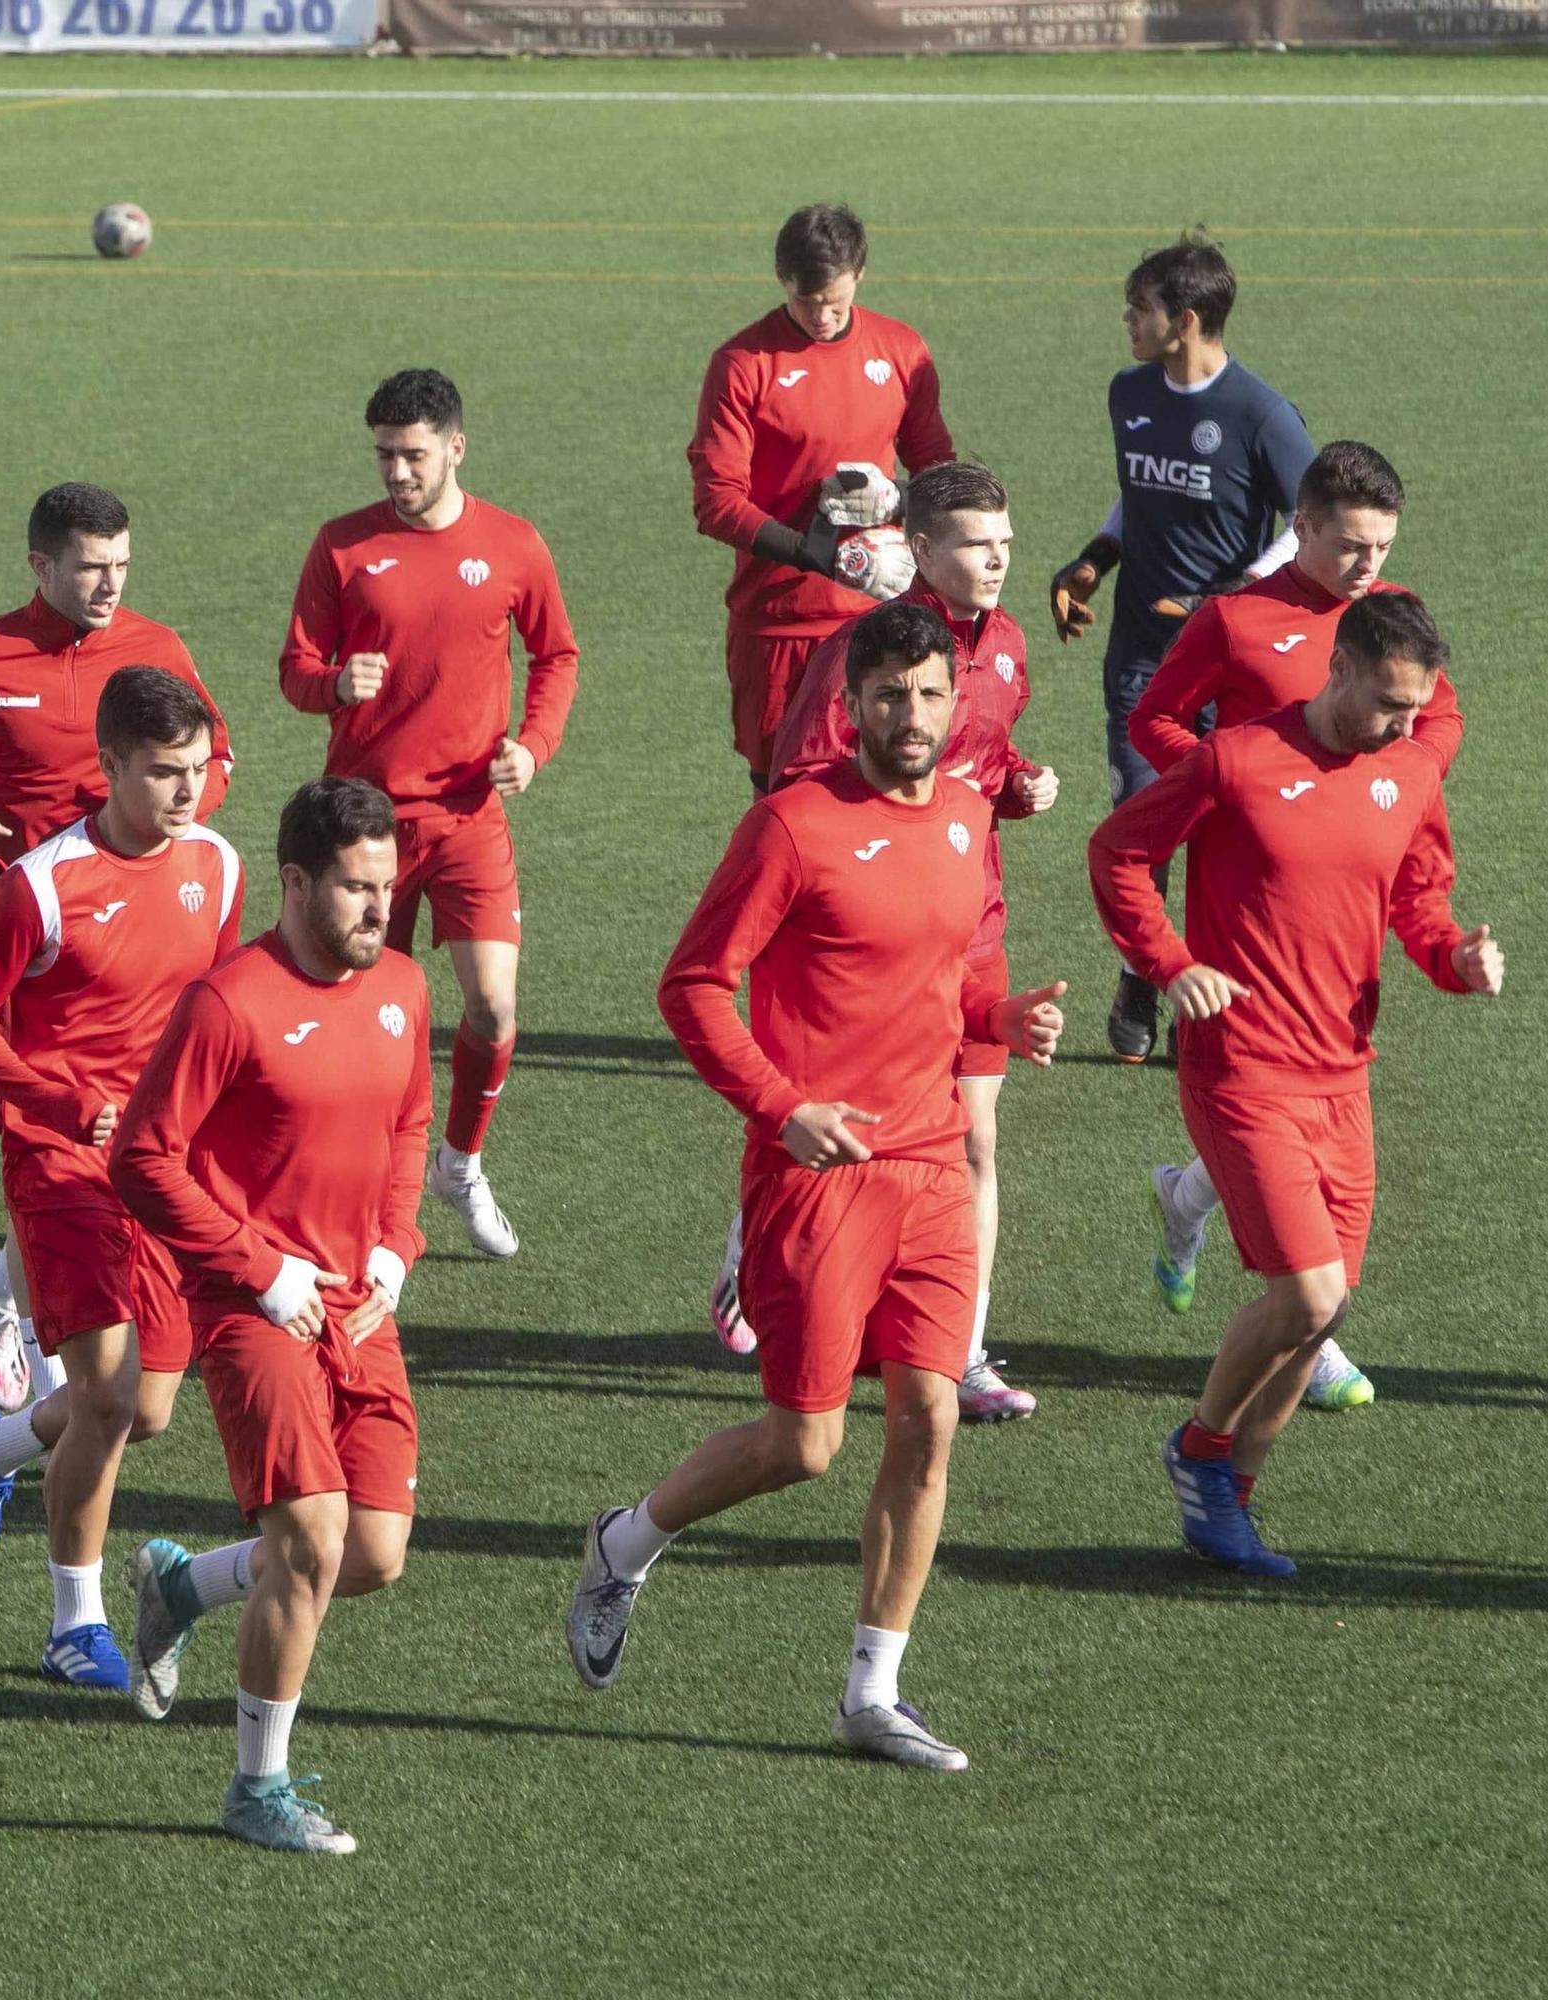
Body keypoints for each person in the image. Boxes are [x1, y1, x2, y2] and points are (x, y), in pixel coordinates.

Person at [565, 602, 1065, 1768]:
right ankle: (624, 1542)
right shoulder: (794, 825)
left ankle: (872, 1692)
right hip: (817, 1175)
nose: (913, 715)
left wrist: (1000, 1018)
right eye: (890, 694)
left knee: (930, 1416)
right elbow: (692, 986)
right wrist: (782, 1108)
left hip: (934, 1163)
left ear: (956, 697)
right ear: (853, 703)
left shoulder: (965, 815)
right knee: (804, 1445)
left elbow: (943, 980)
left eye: (933, 693)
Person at [1087, 594, 1502, 1576]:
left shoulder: (1406, 768)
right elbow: (1119, 854)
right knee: (1305, 1292)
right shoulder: (1234, 759)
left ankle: (1229, 1503)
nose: (1408, 725)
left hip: (1342, 1076)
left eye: (1419, 707)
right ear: (1341, 669)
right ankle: (1198, 1446)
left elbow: (1419, 901)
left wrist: (1456, 960)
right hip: (1240, 1067)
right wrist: (1169, 960)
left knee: (1327, 1307)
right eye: (1392, 702)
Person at [111, 777, 431, 1857]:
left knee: (374, 1553)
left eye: (387, 884)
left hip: (358, 1298)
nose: (379, 907)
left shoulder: (402, 984)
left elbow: (407, 1119)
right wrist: (261, 1267)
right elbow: (141, 1158)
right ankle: (258, 1786)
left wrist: (396, 1240)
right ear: (295, 881)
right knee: (310, 1538)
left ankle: (181, 1583)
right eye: (355, 886)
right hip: (255, 1306)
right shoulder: (229, 1001)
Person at [1128, 441, 1466, 1413]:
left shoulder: (1391, 626)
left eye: (1384, 546)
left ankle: (1190, 1203)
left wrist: (1396, 776)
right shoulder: (1238, 619)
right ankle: (1301, 1322)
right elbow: (1157, 717)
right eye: (1353, 545)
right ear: (1305, 527)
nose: (1370, 565)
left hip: (1349, 857)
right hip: (1255, 872)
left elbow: (1442, 720)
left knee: (1296, 1114)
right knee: (1257, 1093)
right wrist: (1228, 785)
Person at [0, 481, 234, 1412]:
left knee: (118, 1125)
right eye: (90, 566)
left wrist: (161, 839)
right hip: (20, 948)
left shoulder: (157, 652)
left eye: (122, 564)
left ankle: (14, 1288)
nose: (110, 583)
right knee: (38, 1133)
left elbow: (217, 758)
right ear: (41, 565)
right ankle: (29, 1328)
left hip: (125, 946)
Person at [0, 669, 241, 1687]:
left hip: (164, 1161)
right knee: (108, 1395)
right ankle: (75, 1621)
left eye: (198, 769)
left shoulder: (217, 865)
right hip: (59, 1158)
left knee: (147, 1408)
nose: (186, 790)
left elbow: (223, 1008)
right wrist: (53, 1096)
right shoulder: (41, 882)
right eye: (163, 772)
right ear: (108, 765)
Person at [754, 459, 1058, 1424]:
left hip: (974, 929)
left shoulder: (1006, 643)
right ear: (917, 548)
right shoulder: (868, 651)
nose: (996, 560)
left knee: (973, 1139)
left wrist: (1018, 784)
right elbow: (796, 775)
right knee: (860, 1130)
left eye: (1005, 543)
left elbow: (989, 754)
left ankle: (959, 1350)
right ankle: (765, 1251)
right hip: (869, 941)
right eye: (975, 543)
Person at [280, 369, 577, 1260]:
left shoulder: (514, 545)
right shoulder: (340, 547)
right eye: (383, 455)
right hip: (361, 828)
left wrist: (534, 743)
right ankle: (353, 1182)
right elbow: (293, 669)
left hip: (467, 816)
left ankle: (459, 1162)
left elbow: (556, 653)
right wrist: (333, 683)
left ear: (455, 446)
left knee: (491, 1008)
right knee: (365, 1017)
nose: (396, 472)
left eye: (412, 454)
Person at [1048, 232, 1316, 1063]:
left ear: (1186, 319)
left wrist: (1231, 595)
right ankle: (1144, 973)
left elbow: (1310, 525)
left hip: (1232, 662)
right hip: (1141, 651)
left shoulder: (1261, 415)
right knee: (1143, 815)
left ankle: (1221, 993)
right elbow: (1136, 493)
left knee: (1230, 830)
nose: (1125, 320)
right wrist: (1093, 557)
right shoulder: (1128, 391)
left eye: (1139, 308)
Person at [688, 202, 955, 790]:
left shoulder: (901, 351)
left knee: (892, 792)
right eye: (807, 302)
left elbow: (942, 475)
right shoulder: (742, 365)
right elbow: (716, 500)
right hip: (778, 625)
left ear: (860, 273)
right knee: (781, 801)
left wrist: (896, 500)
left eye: (835, 300)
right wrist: (818, 554)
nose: (823, 316)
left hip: (881, 619)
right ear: (782, 279)